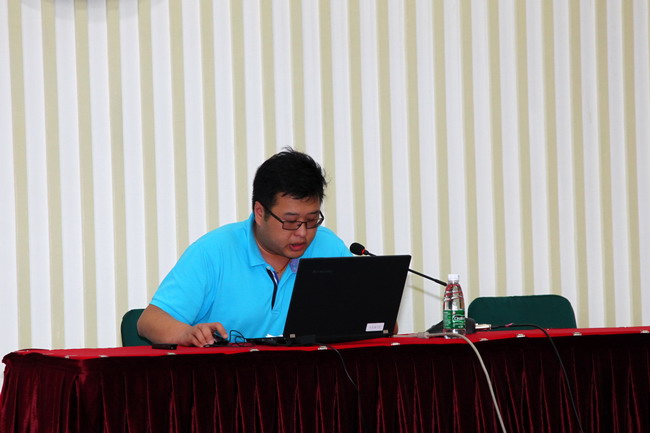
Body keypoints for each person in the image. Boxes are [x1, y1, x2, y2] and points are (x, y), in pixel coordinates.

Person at [137, 148, 351, 346]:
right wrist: (187, 333)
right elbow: (149, 321)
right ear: (259, 212)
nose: (302, 232)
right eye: (290, 221)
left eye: (311, 220)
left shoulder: (329, 247)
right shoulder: (213, 252)